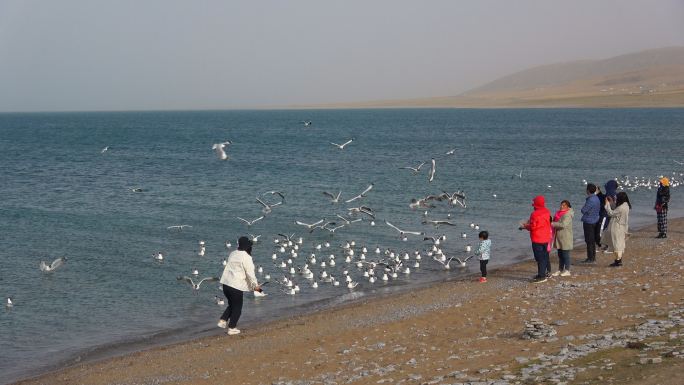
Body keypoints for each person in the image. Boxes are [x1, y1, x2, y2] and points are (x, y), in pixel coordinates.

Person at [217, 236, 260, 335]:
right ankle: (232, 328)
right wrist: (256, 286)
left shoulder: (233, 253)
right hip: (235, 286)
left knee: (232, 304)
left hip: (225, 284)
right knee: (237, 307)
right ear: (248, 247)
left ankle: (223, 320)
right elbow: (250, 274)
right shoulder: (247, 257)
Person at [521, 196, 551, 282]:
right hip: (546, 237)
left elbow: (533, 227)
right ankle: (542, 274)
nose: (533, 206)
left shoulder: (534, 214)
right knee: (545, 256)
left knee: (539, 257)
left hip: (537, 238)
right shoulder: (547, 211)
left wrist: (526, 226)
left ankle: (541, 276)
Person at [601, 192, 631, 266]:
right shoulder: (626, 206)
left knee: (616, 244)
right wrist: (611, 203)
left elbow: (611, 213)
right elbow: (617, 210)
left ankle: (618, 260)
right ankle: (619, 259)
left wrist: (607, 204)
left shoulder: (621, 208)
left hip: (617, 227)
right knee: (620, 243)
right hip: (623, 227)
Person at [550, 200, 574, 277]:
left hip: (565, 236)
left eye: (564, 205)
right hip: (559, 236)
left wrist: (553, 224)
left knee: (565, 254)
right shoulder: (558, 214)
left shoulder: (568, 215)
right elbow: (556, 220)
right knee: (560, 254)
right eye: (561, 205)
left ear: (567, 207)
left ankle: (567, 270)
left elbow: (563, 224)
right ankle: (560, 269)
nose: (562, 206)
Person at [580, 184, 600, 263]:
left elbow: (583, 210)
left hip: (589, 221)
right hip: (594, 220)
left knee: (589, 240)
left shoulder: (591, 199)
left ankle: (590, 258)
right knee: (592, 240)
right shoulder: (596, 198)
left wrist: (587, 211)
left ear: (588, 190)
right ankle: (592, 257)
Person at [594, 185, 606, 250]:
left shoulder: (600, 196)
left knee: (599, 230)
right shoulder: (594, 196)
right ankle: (598, 244)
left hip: (602, 215)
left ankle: (599, 245)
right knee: (598, 229)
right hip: (598, 215)